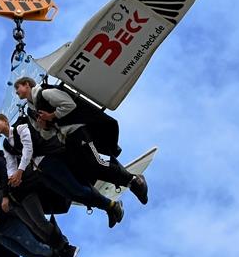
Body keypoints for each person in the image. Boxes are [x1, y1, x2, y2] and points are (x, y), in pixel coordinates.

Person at [12, 76, 148, 205]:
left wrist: (51, 115)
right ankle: (131, 182)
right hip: (66, 140)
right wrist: (44, 127)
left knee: (96, 163)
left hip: (78, 131)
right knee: (90, 170)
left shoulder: (46, 93)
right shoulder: (31, 112)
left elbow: (69, 105)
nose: (16, 92)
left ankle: (134, 180)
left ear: (27, 85)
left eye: (17, 87)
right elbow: (46, 135)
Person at [0, 111, 125, 228]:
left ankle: (111, 205)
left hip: (49, 160)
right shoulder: (6, 144)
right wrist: (13, 178)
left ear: (6, 121)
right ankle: (108, 208)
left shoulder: (21, 128)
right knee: (69, 194)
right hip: (40, 172)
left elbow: (28, 149)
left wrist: (20, 172)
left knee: (77, 188)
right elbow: (10, 164)